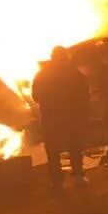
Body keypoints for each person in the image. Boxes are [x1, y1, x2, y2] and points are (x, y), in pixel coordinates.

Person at [31, 46, 91, 187]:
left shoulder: (43, 74)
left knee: (53, 149)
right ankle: (78, 175)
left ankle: (56, 180)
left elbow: (36, 96)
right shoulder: (74, 73)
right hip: (72, 115)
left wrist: (49, 103)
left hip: (51, 116)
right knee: (75, 145)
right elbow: (84, 94)